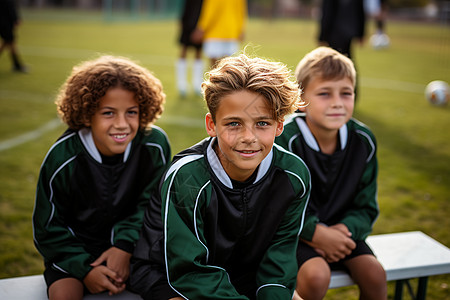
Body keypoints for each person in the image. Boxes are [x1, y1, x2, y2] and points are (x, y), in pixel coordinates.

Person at [130, 53, 311, 299]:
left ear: (279, 125)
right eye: (234, 124)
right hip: (172, 274)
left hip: (245, 272)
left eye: (262, 123)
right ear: (211, 124)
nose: (249, 137)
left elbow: (279, 257)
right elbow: (188, 268)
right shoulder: (188, 178)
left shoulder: (293, 174)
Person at [32, 55, 171, 300]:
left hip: (134, 244)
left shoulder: (154, 145)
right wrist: (85, 269)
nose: (121, 124)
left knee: (169, 288)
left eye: (131, 112)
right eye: (108, 113)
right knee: (63, 294)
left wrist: (124, 247)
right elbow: (48, 228)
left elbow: (152, 205)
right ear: (87, 115)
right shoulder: (63, 159)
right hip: (75, 251)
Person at [275, 46, 387, 300]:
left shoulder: (363, 140)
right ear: (301, 100)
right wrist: (316, 234)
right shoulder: (286, 141)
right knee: (317, 275)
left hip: (342, 233)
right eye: (325, 93)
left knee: (375, 274)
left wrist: (343, 232)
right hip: (293, 234)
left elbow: (366, 206)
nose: (337, 102)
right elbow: (275, 207)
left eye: (346, 93)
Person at [191, 0, 247, 67]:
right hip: (231, 32)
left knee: (214, 66)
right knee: (228, 65)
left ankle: (216, 78)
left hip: (214, 32)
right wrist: (241, 29)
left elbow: (210, 11)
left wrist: (201, 28)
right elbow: (241, 12)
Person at [175, 0, 204, 97]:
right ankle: (181, 84)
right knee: (183, 52)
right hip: (187, 25)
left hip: (200, 27)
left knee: (198, 53)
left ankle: (197, 84)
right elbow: (185, 9)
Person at [0, 0, 27, 72]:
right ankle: (17, 65)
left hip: (4, 22)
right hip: (5, 23)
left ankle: (17, 64)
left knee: (8, 42)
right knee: (10, 42)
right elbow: (10, 7)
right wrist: (15, 19)